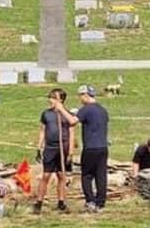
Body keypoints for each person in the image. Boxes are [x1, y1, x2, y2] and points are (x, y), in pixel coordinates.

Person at [52, 84, 109, 213]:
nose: (80, 99)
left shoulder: (86, 109)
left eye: (80, 96)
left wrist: (61, 109)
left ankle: (90, 201)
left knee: (87, 175)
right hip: (103, 147)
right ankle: (101, 202)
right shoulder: (102, 110)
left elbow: (72, 121)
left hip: (90, 148)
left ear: (86, 95)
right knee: (101, 175)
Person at [33, 88, 74, 214]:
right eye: (50, 98)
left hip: (63, 148)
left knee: (61, 175)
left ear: (60, 100)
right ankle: (39, 202)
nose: (50, 100)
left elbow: (72, 133)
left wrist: (70, 152)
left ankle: (61, 202)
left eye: (53, 98)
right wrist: (39, 147)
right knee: (46, 175)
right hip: (50, 148)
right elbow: (42, 131)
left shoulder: (67, 114)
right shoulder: (46, 114)